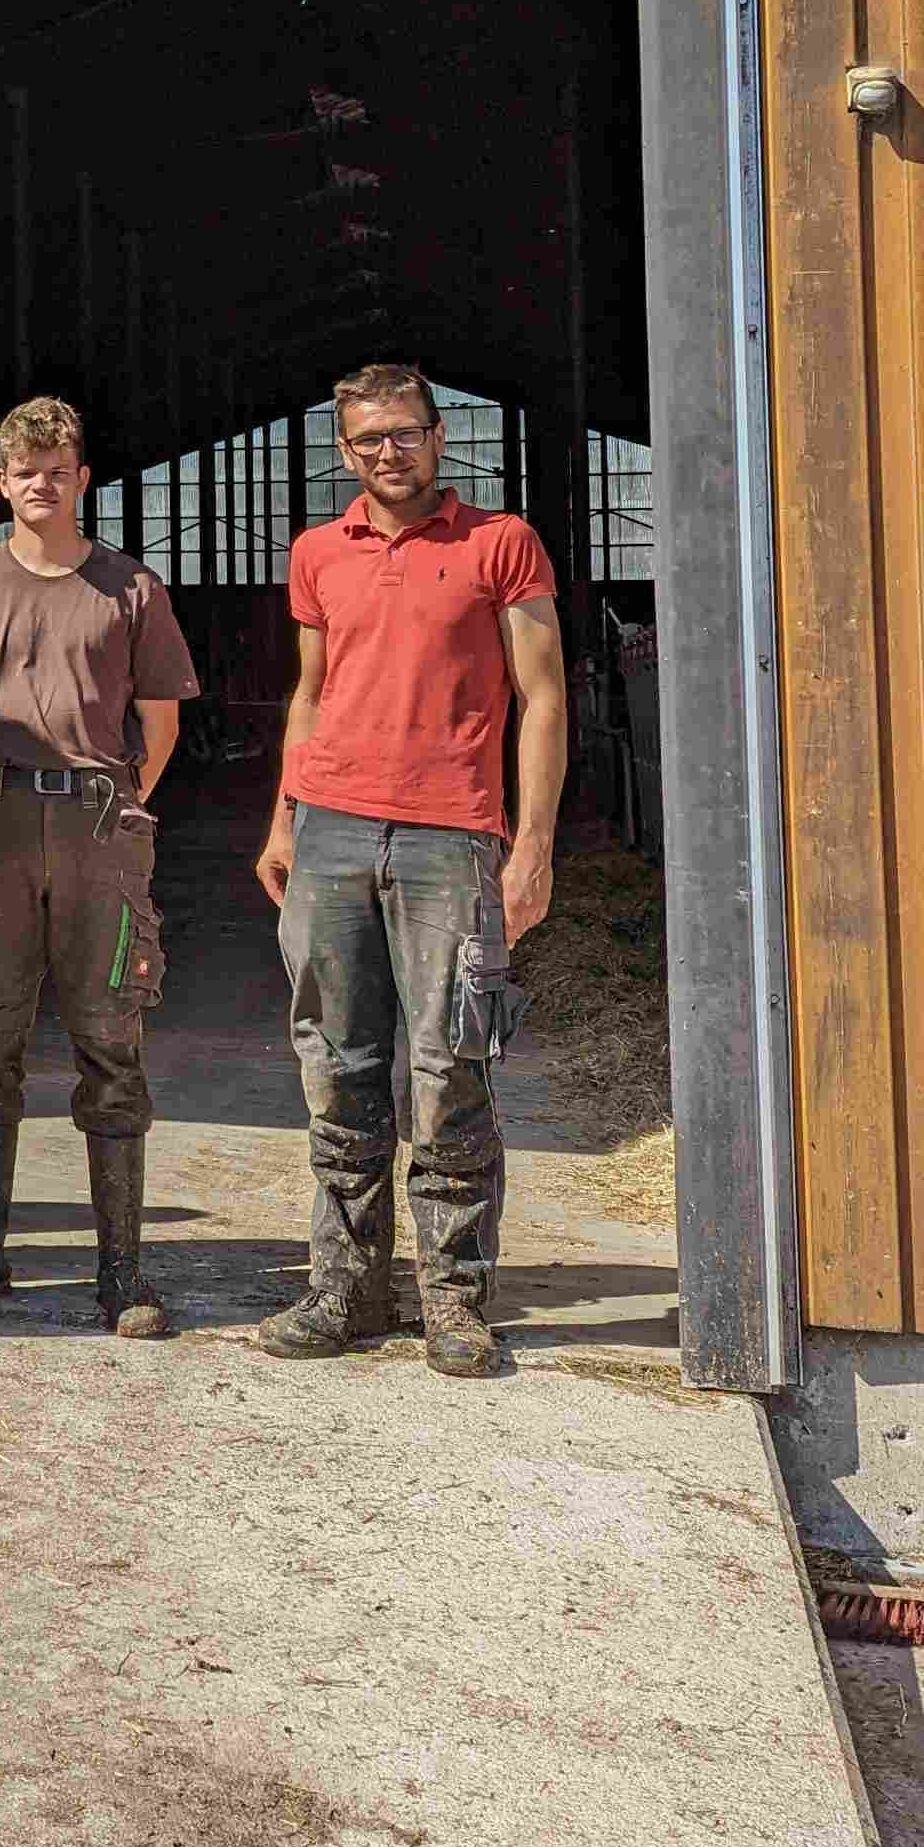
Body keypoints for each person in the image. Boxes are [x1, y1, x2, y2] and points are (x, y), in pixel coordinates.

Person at [252, 363, 568, 1381]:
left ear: (439, 437)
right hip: (333, 830)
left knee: (449, 1070)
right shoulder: (318, 554)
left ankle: (454, 1299)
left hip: (450, 838)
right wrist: (284, 820)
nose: (387, 452)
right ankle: (344, 1287)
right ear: (344, 452)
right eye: (367, 440)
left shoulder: (500, 544)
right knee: (336, 1066)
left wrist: (532, 849)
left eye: (404, 433)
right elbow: (310, 693)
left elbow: (545, 698)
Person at [0, 396, 201, 1337]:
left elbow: (160, 725)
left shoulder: (132, 589)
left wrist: (109, 800)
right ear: (2, 483)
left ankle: (122, 1274)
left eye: (58, 467)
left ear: (82, 478)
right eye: (23, 470)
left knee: (109, 1039)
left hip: (97, 827)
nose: (41, 482)